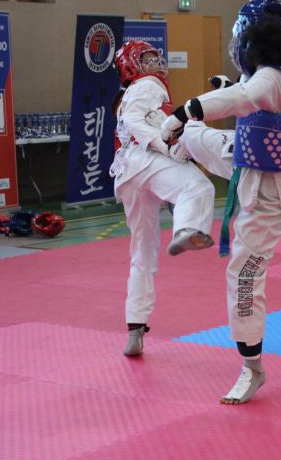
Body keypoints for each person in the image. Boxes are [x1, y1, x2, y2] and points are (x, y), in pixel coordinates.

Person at [160, 0, 281, 404]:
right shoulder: (278, 74)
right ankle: (179, 164)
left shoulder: (270, 78)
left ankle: (253, 368)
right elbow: (247, 96)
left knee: (244, 274)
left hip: (268, 189)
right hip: (249, 160)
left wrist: (185, 110)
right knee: (195, 137)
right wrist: (221, 95)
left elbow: (247, 99)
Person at [110, 39, 216, 357]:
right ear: (131, 65)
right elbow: (136, 123)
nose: (155, 64)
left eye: (157, 58)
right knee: (198, 187)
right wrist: (165, 146)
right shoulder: (148, 84)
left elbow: (143, 122)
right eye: (147, 59)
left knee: (142, 252)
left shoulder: (130, 94)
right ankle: (186, 229)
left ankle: (135, 327)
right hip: (144, 160)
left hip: (127, 175)